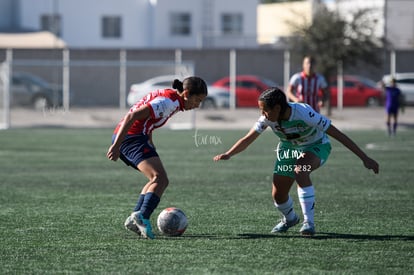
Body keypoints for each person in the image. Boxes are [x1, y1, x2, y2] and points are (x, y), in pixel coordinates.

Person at [213, 87, 379, 236]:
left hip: (316, 146)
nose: (263, 114)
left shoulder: (304, 113)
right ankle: (290, 219)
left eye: (265, 111)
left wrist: (364, 158)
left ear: (277, 108)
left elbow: (338, 134)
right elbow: (248, 139)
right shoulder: (267, 118)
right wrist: (229, 153)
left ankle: (309, 223)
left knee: (301, 170)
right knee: (278, 195)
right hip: (288, 149)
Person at [107, 76, 208, 239]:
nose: (197, 105)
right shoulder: (169, 103)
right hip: (131, 138)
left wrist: (149, 141)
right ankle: (142, 216)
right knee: (160, 179)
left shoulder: (172, 98)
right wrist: (116, 145)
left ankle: (136, 217)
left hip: (136, 138)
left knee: (155, 179)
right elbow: (131, 116)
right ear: (187, 93)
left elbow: (149, 120)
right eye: (197, 100)